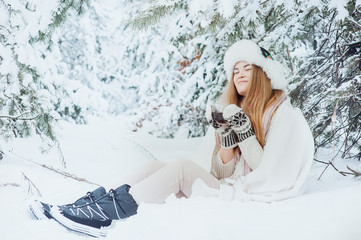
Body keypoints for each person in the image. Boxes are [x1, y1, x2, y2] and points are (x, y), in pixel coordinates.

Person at [29, 39, 314, 237]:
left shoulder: (282, 114)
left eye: (247, 68)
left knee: (179, 168)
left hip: (254, 197)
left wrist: (243, 131)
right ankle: (89, 204)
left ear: (263, 73)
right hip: (233, 185)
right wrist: (227, 136)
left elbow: (266, 172)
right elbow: (221, 172)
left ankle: (105, 216)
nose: (239, 75)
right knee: (155, 168)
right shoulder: (239, 110)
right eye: (234, 70)